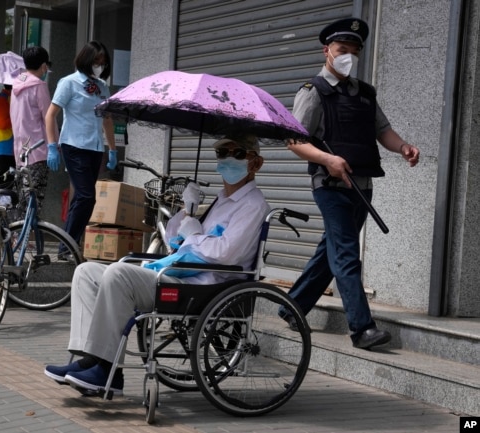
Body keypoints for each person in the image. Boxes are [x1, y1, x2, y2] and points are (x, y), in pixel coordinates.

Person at [44, 134, 269, 395]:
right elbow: (174, 240)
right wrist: (187, 211)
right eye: (222, 154)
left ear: (256, 164)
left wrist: (195, 235)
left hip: (203, 286)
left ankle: (107, 370)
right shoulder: (220, 201)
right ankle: (90, 360)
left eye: (238, 154)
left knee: (119, 274)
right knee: (86, 271)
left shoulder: (253, 205)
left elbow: (226, 253)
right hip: (182, 273)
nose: (228, 159)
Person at [282, 18, 420, 350]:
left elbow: (382, 130)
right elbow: (294, 140)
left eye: (354, 52)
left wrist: (402, 147)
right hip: (329, 185)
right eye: (342, 50)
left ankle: (293, 306)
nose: (348, 57)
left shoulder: (364, 93)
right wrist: (328, 159)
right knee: (345, 254)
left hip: (361, 184)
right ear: (326, 51)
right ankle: (362, 329)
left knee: (330, 250)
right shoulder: (313, 91)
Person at [45, 40, 117, 249]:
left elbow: (107, 120)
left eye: (103, 61)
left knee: (81, 198)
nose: (100, 64)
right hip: (74, 145)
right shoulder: (68, 82)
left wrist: (112, 150)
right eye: (96, 60)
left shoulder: (103, 87)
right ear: (86, 59)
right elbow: (51, 115)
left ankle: (65, 245)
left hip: (95, 149)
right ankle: (70, 245)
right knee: (87, 196)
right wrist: (52, 146)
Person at [9, 46, 51, 198]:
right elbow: (49, 117)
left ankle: (21, 223)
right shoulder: (39, 86)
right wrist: (54, 145)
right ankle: (30, 223)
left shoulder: (15, 85)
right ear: (44, 65)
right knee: (35, 199)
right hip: (38, 149)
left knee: (22, 198)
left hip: (20, 150)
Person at [0, 84, 15, 185]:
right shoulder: (1, 99)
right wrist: (17, 115)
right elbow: (2, 123)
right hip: (3, 149)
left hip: (8, 148)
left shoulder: (7, 98)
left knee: (8, 184)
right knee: (2, 184)